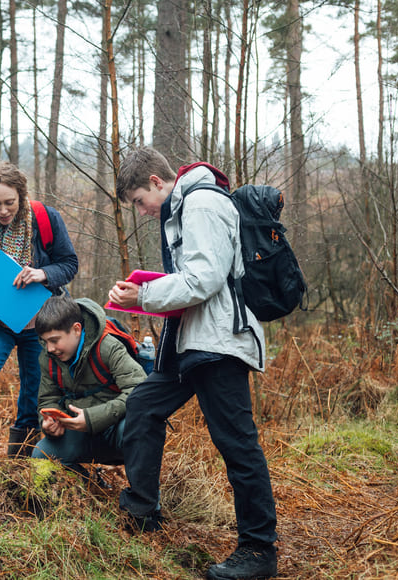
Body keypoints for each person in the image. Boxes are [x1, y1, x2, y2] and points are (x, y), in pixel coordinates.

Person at [108, 147, 277, 580]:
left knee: (237, 443)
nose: (143, 212)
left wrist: (143, 295)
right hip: (188, 342)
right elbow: (193, 279)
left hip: (219, 343)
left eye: (140, 201)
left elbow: (204, 278)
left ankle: (258, 551)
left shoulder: (202, 202)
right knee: (144, 405)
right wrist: (149, 288)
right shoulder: (182, 208)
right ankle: (141, 513)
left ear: (156, 183)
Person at [0, 161, 78, 457]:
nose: (3, 210)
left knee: (34, 392)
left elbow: (69, 263)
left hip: (41, 325)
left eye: (10, 202)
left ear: (21, 196)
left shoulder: (45, 219)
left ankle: (22, 464)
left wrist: (42, 274)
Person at [31, 295, 147, 481]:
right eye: (45, 342)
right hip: (77, 433)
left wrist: (93, 418)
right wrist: (49, 423)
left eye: (54, 340)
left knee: (143, 428)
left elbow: (139, 390)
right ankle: (87, 490)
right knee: (41, 455)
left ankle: (142, 502)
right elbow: (47, 399)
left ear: (77, 329)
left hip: (117, 430)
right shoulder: (48, 358)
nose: (50, 348)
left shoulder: (108, 347)